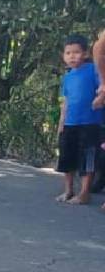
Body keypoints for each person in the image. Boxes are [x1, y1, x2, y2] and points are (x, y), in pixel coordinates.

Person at [56, 34, 101, 205]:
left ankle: (84, 193)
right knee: (67, 157)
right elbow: (66, 102)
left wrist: (99, 100)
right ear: (63, 56)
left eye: (76, 52)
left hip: (90, 123)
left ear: (85, 53)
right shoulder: (67, 77)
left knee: (87, 159)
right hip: (70, 123)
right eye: (68, 53)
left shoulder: (94, 70)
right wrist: (61, 123)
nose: (72, 56)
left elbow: (102, 89)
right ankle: (68, 190)